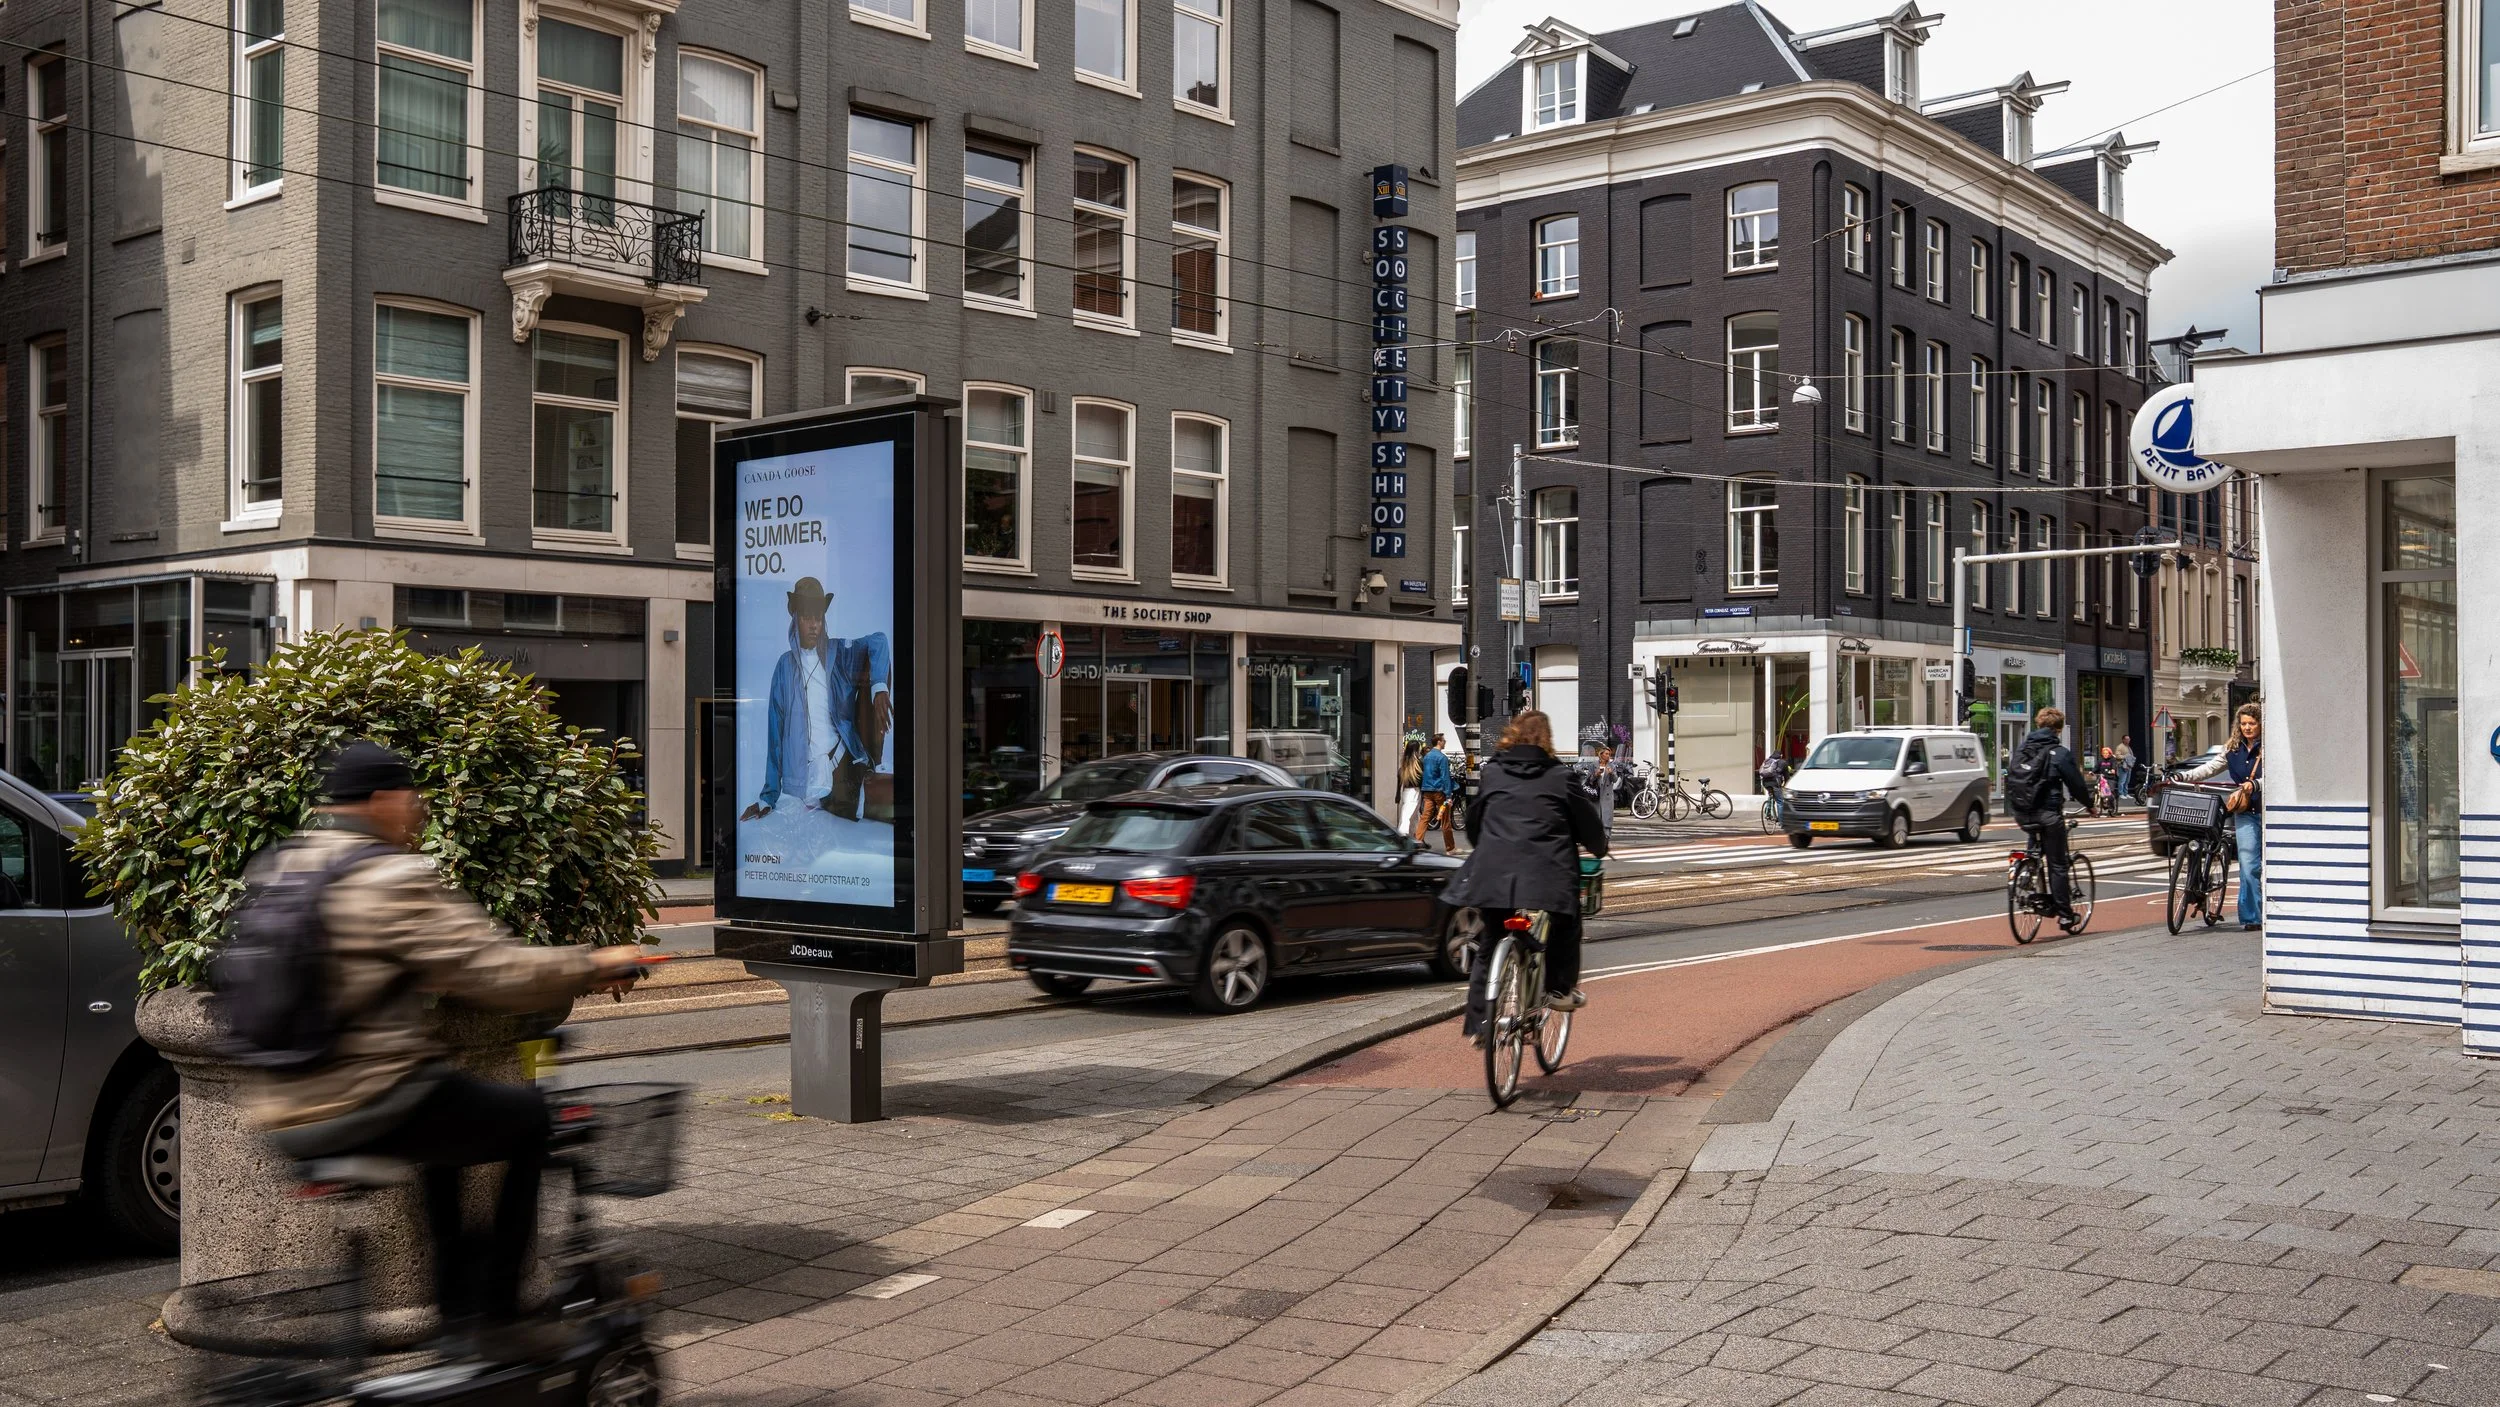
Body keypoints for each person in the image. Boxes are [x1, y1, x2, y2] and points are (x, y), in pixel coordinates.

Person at [243, 743, 647, 1357]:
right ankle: (496, 1315)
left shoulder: (287, 864)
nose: (418, 810)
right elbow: (489, 970)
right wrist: (591, 963)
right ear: (381, 801)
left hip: (279, 1103)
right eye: (410, 796)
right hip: (365, 1095)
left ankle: (455, 1315)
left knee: (445, 1135)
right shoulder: (389, 875)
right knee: (528, 1121)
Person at [1444, 710, 1608, 1041]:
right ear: (1546, 739)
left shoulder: (1493, 773)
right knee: (1567, 922)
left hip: (1493, 873)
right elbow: (1588, 826)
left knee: (1489, 940)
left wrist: (1487, 846)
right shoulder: (1560, 777)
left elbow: (1475, 824)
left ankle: (1480, 1025)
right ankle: (1559, 990)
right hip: (1547, 874)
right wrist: (1599, 846)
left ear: (1512, 735)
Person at [742, 577, 892, 826]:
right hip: (814, 783)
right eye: (807, 618)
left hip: (846, 765)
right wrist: (768, 797)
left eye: (818, 618)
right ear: (795, 620)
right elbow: (775, 734)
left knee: (906, 801)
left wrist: (879, 688)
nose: (814, 625)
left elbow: (878, 641)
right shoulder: (785, 667)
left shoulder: (839, 653)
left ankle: (872, 765)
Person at [2004, 707, 2098, 923]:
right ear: (2058, 729)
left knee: (2036, 840)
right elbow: (2076, 784)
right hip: (2048, 813)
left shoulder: (2022, 749)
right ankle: (2065, 916)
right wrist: (2090, 805)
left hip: (2023, 814)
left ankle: (2027, 873)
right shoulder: (2060, 753)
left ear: (2038, 725)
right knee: (2058, 864)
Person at [2180, 703, 2264, 929]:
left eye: (2252, 724)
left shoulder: (2269, 747)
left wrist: (2256, 784)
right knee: (2248, 864)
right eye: (2244, 723)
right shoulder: (2233, 750)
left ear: (2261, 724)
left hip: (2271, 813)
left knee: (2271, 866)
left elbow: (2278, 774)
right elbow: (2209, 768)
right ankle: (2253, 918)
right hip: (2246, 813)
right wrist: (2183, 776)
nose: (2247, 728)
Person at [1416, 734, 1456, 853]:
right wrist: (1448, 795)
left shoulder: (1427, 757)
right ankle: (1450, 848)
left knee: (1425, 818)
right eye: (1444, 740)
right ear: (1439, 742)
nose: (1445, 742)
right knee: (1445, 820)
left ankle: (1417, 842)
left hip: (1427, 791)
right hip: (1439, 792)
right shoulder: (1442, 758)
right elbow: (1445, 777)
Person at [1394, 736, 1424, 835]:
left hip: (1406, 791)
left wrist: (1398, 793)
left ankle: (1415, 837)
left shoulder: (1405, 762)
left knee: (1411, 815)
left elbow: (1399, 776)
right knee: (1409, 815)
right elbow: (1421, 780)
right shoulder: (1418, 763)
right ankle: (1403, 836)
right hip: (1415, 791)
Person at [1589, 746, 1619, 840]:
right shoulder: (1593, 765)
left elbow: (1615, 780)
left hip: (1607, 794)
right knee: (1596, 815)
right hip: (1596, 793)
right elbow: (1589, 780)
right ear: (1601, 754)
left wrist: (1611, 773)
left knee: (1607, 815)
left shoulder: (1612, 766)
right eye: (1606, 754)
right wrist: (1596, 774)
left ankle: (1606, 834)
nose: (1608, 756)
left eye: (1609, 754)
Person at [2116, 736, 2138, 804]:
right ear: (2123, 740)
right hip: (2122, 766)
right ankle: (2121, 793)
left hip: (2128, 766)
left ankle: (2126, 793)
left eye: (2129, 739)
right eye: (2126, 739)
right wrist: (2126, 756)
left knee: (2127, 781)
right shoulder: (2120, 747)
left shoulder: (2128, 747)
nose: (2128, 740)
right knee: (2122, 780)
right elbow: (2117, 755)